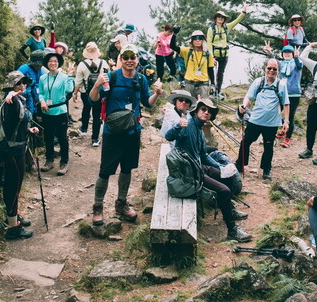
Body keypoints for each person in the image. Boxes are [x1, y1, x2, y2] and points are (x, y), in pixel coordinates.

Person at [89, 44, 163, 226]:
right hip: (112, 132)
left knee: (127, 168)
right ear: (121, 59)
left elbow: (148, 103)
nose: (130, 60)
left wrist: (157, 94)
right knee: (105, 171)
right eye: (126, 57)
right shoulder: (112, 77)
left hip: (133, 131)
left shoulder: (140, 79)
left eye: (133, 57)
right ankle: (97, 207)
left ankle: (121, 204)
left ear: (137, 60)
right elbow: (93, 98)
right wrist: (97, 85)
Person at [164, 97, 252, 242]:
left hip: (198, 167)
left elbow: (204, 155)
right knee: (224, 190)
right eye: (203, 109)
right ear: (197, 111)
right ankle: (232, 230)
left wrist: (222, 167)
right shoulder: (187, 124)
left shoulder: (199, 129)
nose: (206, 113)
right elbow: (169, 136)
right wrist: (178, 126)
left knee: (228, 176)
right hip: (189, 175)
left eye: (209, 111)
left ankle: (229, 208)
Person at [0, 71, 41, 240]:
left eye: (24, 83)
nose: (23, 86)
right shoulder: (11, 100)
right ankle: (12, 228)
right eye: (18, 83)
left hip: (17, 148)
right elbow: (7, 108)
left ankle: (14, 218)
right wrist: (10, 94)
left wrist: (28, 130)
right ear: (11, 85)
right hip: (12, 151)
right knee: (12, 186)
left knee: (15, 186)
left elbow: (14, 125)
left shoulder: (18, 100)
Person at [236, 57, 289, 180]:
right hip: (255, 120)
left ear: (278, 70)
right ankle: (240, 164)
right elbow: (248, 96)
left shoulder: (281, 85)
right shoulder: (258, 82)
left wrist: (286, 121)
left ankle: (266, 170)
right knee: (246, 141)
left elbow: (286, 103)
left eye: (274, 69)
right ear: (265, 69)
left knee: (268, 146)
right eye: (269, 68)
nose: (271, 71)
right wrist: (244, 105)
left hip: (272, 123)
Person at [38, 50, 76, 175]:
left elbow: (69, 90)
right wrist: (42, 101)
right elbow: (41, 93)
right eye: (50, 61)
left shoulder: (64, 77)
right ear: (47, 63)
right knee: (48, 137)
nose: (53, 63)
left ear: (58, 63)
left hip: (60, 111)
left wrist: (70, 75)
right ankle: (49, 160)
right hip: (47, 111)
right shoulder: (43, 78)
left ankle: (64, 162)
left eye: (55, 61)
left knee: (62, 137)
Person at [264, 43, 303, 148]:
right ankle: (281, 130)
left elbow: (299, 65)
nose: (287, 54)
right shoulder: (280, 64)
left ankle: (287, 138)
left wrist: (296, 57)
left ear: (292, 54)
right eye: (285, 52)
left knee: (290, 116)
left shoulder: (296, 63)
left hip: (294, 94)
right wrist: (270, 53)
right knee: (276, 112)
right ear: (282, 54)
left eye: (289, 52)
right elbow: (273, 63)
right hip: (281, 92)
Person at [206, 4, 248, 99]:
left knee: (220, 73)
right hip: (214, 55)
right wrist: (211, 57)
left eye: (222, 17)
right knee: (211, 72)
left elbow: (236, 21)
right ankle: (212, 87)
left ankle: (218, 91)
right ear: (216, 18)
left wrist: (244, 11)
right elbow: (209, 43)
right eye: (219, 17)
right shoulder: (211, 29)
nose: (221, 18)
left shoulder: (226, 27)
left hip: (224, 55)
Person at [75, 42, 109, 147]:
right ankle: (95, 139)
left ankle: (84, 129)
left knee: (86, 108)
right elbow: (108, 78)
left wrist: (75, 92)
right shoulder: (104, 63)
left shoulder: (82, 64)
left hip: (86, 93)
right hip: (99, 92)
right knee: (96, 115)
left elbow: (78, 81)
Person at [170, 29, 214, 100]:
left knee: (203, 106)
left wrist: (213, 84)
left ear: (203, 40)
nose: (197, 40)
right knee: (188, 107)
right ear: (192, 41)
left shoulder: (208, 54)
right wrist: (174, 34)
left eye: (200, 38)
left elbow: (211, 69)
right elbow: (172, 46)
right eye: (195, 38)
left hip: (203, 85)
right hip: (189, 84)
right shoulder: (187, 51)